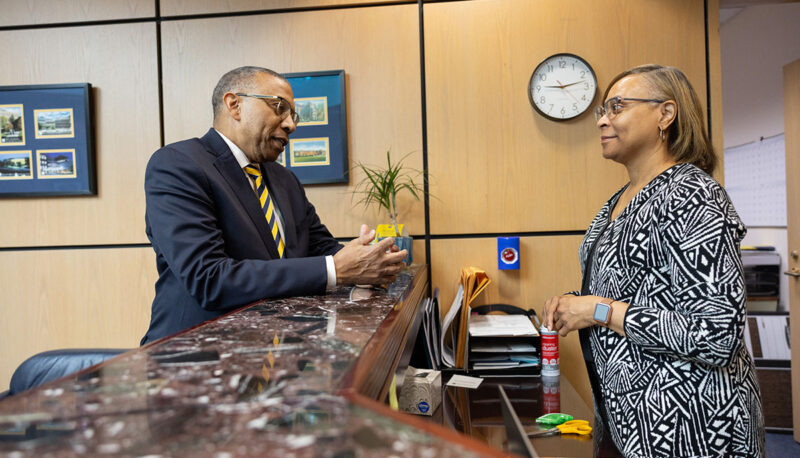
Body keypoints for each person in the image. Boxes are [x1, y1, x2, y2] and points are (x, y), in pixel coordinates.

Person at [542, 64, 764, 457]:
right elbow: (633, 291)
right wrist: (573, 304)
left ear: (666, 114)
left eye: (617, 107)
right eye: (601, 111)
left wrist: (596, 309)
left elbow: (716, 335)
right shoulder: (619, 199)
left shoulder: (693, 195)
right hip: (628, 420)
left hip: (692, 424)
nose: (602, 120)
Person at [141, 66, 407, 345]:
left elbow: (320, 249)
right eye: (279, 107)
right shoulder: (177, 165)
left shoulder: (285, 179)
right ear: (234, 105)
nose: (291, 124)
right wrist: (337, 269)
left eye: (293, 115)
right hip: (193, 360)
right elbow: (208, 278)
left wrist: (368, 259)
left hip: (276, 351)